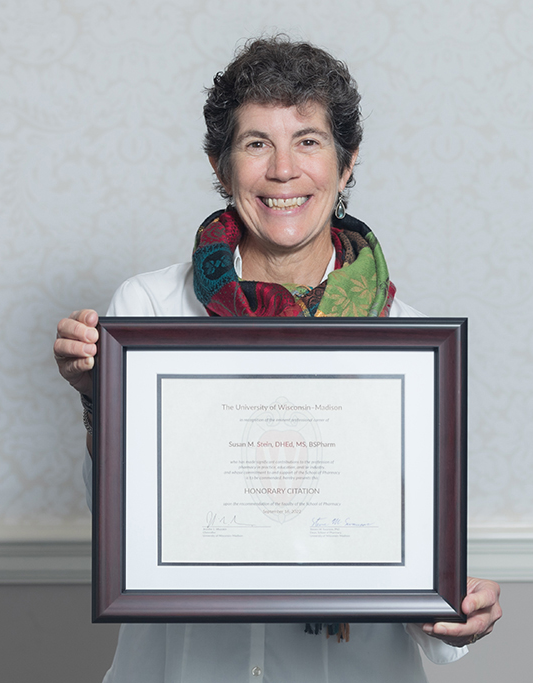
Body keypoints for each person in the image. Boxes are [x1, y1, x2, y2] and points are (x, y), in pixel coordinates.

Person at [54, 36, 501, 683]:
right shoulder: (147, 307)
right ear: (220, 165)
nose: (284, 169)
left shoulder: (407, 345)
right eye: (256, 143)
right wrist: (100, 394)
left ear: (346, 166)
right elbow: (125, 531)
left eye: (310, 141)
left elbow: (415, 569)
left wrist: (456, 606)